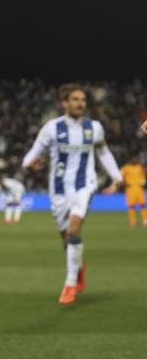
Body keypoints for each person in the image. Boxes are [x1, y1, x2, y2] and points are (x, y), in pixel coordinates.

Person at [22, 84, 122, 304]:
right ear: (64, 103)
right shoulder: (51, 128)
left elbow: (103, 152)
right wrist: (29, 165)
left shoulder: (94, 127)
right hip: (58, 189)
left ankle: (70, 284)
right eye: (75, 99)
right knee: (66, 238)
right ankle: (78, 266)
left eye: (83, 100)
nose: (80, 103)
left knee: (74, 229)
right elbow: (31, 156)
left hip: (85, 185)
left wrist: (117, 178)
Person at [119, 157, 146, 227]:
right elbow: (120, 175)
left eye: (135, 159)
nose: (134, 160)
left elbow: (144, 175)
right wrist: (123, 182)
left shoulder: (140, 167)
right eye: (132, 159)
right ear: (129, 160)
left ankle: (145, 220)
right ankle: (132, 221)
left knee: (143, 204)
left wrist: (143, 182)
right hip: (130, 188)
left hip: (139, 188)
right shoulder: (126, 168)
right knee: (131, 206)